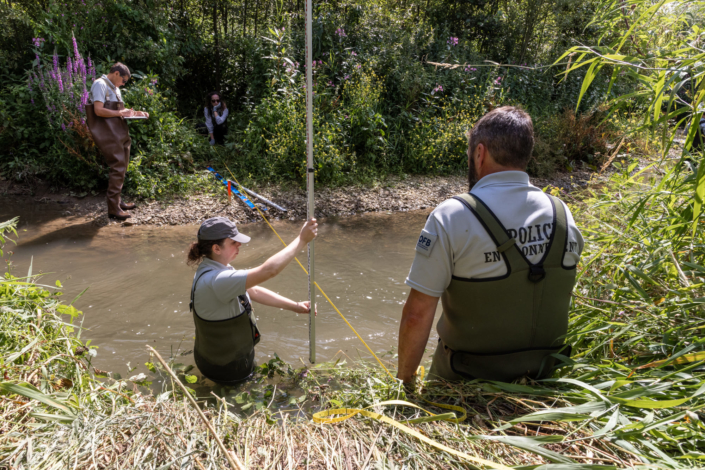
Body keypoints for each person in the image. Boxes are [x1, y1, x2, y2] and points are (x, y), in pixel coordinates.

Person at [397, 106, 584, 385]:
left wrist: (404, 384)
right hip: (544, 377)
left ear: (480, 153)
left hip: (463, 380)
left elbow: (416, 315)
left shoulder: (451, 215)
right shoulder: (562, 213)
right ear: (525, 154)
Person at [187, 216, 318, 384]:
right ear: (216, 248)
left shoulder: (213, 267)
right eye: (233, 242)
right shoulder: (217, 280)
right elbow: (269, 270)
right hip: (228, 369)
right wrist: (301, 240)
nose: (239, 244)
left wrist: (295, 306)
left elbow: (253, 290)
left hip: (215, 359)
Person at [86, 62, 149, 220]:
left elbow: (118, 112)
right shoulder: (99, 84)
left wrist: (135, 113)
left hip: (119, 130)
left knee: (123, 165)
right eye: (124, 80)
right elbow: (98, 111)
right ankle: (113, 208)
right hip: (107, 132)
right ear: (115, 73)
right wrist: (120, 112)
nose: (123, 83)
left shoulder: (115, 88)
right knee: (117, 166)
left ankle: (118, 201)